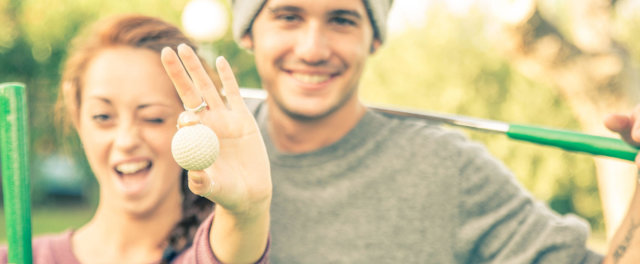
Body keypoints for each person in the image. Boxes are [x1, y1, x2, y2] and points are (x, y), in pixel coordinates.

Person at [223, 0, 640, 262]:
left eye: (342, 20)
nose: (312, 49)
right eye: (288, 17)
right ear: (247, 32)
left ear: (375, 39)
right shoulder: (201, 153)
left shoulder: (447, 168)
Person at [1, 14, 271, 264]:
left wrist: (246, 215)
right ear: (76, 115)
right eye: (103, 117)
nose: (127, 140)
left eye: (153, 118)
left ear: (196, 124)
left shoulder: (204, 255)